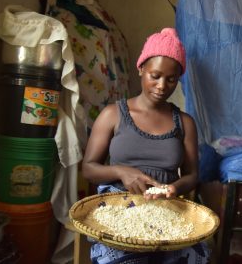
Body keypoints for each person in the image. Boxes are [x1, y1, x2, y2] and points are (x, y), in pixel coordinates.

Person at [82, 28, 211, 264]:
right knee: (130, 255)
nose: (162, 85)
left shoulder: (184, 123)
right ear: (141, 69)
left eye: (171, 79)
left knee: (194, 254)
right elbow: (88, 168)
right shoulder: (113, 114)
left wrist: (173, 188)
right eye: (155, 75)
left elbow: (192, 175)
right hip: (118, 204)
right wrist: (122, 171)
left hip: (166, 206)